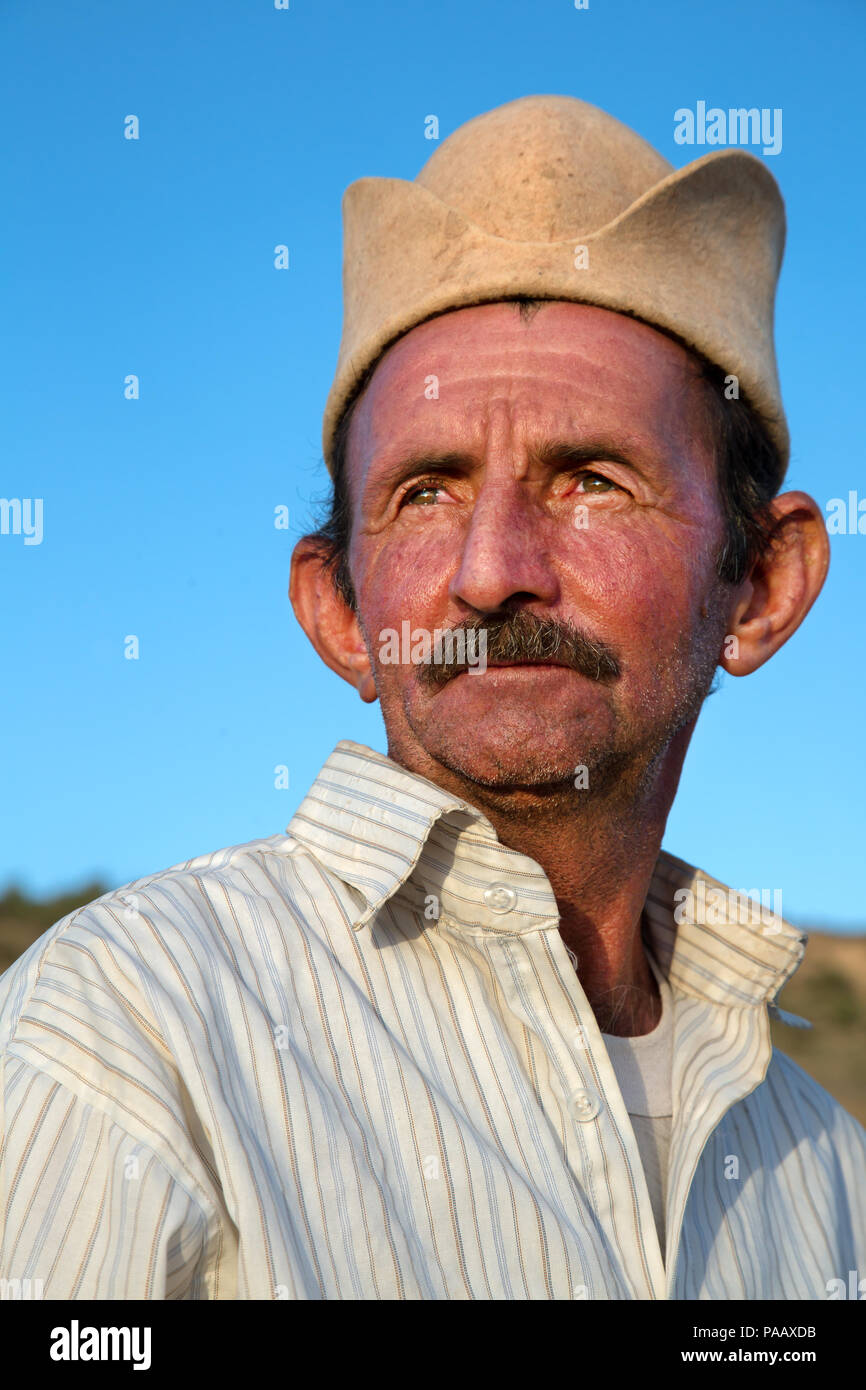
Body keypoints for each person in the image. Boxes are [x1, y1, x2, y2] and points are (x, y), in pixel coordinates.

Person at [1, 95, 863, 1300]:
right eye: (424, 491)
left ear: (761, 585)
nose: (491, 565)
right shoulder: (128, 1031)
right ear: (340, 612)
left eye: (591, 480)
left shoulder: (825, 1178)